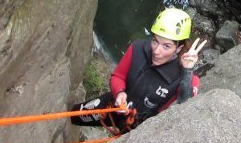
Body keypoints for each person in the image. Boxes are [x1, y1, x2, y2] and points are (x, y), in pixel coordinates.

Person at [70, 8, 207, 134]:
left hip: (138, 127)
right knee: (73, 115)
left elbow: (185, 107)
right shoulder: (138, 49)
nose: (156, 51)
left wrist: (187, 71)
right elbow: (118, 76)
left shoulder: (188, 78)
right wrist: (119, 93)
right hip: (114, 105)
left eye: (166, 46)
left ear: (178, 48)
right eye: (155, 41)